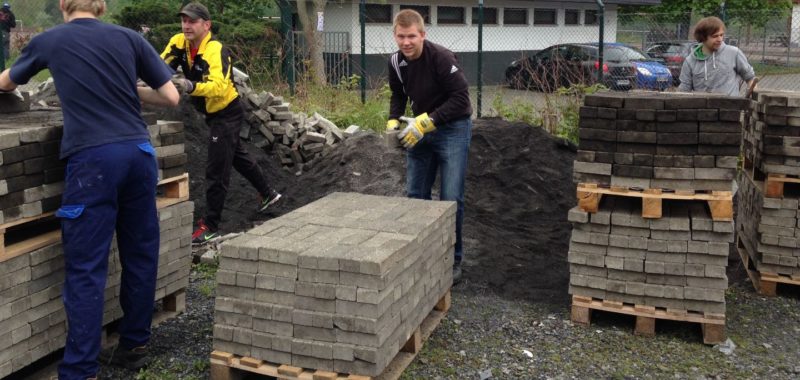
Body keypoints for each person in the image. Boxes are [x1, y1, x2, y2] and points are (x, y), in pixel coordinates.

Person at [0, 0, 179, 378]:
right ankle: (135, 345)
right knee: (140, 255)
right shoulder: (129, 38)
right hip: (139, 153)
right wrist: (131, 91)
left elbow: (7, 82)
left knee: (86, 268)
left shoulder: (51, 40)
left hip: (94, 161)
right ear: (101, 6)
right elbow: (171, 97)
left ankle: (80, 370)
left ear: (64, 4)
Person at [160, 2, 281, 245]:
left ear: (207, 25)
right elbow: (159, 66)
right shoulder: (178, 43)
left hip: (227, 111)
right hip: (211, 112)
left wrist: (190, 86)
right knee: (236, 155)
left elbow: (219, 87)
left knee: (217, 168)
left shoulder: (215, 49)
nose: (186, 25)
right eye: (183, 20)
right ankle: (269, 194)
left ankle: (211, 226)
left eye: (192, 21)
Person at [387, 9, 472, 284]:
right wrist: (392, 121)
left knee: (450, 198)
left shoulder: (441, 58)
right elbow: (398, 95)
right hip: (418, 129)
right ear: (395, 35)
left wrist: (429, 122)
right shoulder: (396, 63)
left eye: (411, 36)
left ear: (422, 34)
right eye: (401, 36)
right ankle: (421, 254)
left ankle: (453, 259)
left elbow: (461, 99)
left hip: (453, 129)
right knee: (415, 194)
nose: (406, 42)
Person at [678, 16, 755, 97]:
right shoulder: (690, 61)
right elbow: (684, 91)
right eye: (715, 36)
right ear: (703, 37)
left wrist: (753, 96)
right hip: (704, 108)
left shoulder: (734, 53)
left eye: (721, 35)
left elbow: (750, 78)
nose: (720, 39)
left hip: (732, 108)